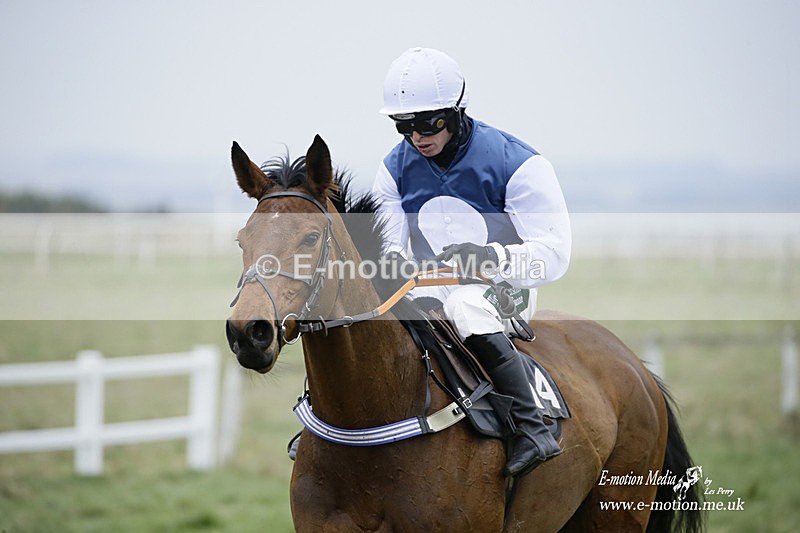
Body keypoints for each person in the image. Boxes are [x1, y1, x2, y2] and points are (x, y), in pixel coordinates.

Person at [371, 47, 572, 478]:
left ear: (455, 111)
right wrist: (392, 269)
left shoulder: (519, 163)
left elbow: (555, 255)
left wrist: (489, 257)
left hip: (505, 288)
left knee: (466, 305)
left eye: (429, 123)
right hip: (429, 284)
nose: (416, 136)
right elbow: (390, 247)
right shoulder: (393, 168)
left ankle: (531, 428)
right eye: (404, 125)